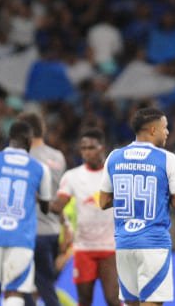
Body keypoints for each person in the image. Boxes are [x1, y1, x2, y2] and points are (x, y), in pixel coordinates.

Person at [98, 107, 175, 306]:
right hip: (153, 244)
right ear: (152, 130)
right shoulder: (167, 159)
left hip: (124, 244)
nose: (167, 132)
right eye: (165, 127)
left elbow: (103, 202)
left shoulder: (114, 157)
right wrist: (160, 195)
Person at [0, 120, 54, 306]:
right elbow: (46, 207)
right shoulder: (40, 168)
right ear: (29, 140)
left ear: (10, 138)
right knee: (14, 291)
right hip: (21, 238)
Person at [51, 127, 119, 306]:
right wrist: (65, 225)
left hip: (110, 247)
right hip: (83, 248)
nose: (87, 152)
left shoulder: (115, 175)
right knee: (84, 300)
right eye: (83, 148)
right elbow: (58, 206)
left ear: (102, 148)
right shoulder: (72, 176)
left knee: (113, 299)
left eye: (91, 148)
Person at [21, 111, 68, 306]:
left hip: (27, 231)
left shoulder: (23, 158)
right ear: (43, 129)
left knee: (22, 285)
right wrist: (66, 225)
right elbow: (61, 196)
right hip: (52, 231)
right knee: (46, 285)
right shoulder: (58, 156)